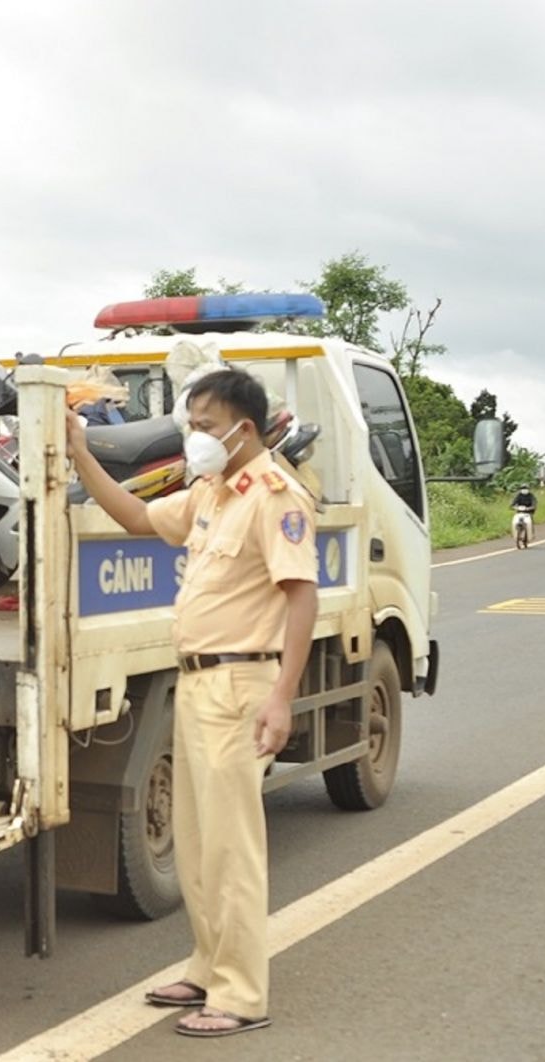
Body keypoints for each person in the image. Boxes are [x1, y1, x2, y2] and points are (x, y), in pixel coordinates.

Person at [66, 368, 318, 1039]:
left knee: (232, 846)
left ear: (243, 427)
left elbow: (301, 597)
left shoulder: (274, 496)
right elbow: (139, 516)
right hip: (199, 682)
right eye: (192, 424)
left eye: (205, 426)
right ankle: (208, 967)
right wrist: (81, 454)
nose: (195, 437)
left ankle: (241, 994)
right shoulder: (211, 492)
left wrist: (282, 700)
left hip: (243, 685)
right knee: (200, 841)